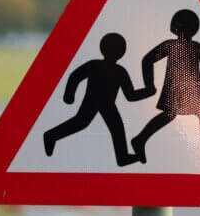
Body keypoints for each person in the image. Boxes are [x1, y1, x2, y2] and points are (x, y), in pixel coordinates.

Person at [131, 9, 200, 167]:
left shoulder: (184, 46)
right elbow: (147, 60)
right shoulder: (177, 46)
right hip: (182, 88)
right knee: (196, 114)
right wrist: (149, 86)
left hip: (186, 88)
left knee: (174, 114)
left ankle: (140, 139)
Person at [43, 33, 153, 166]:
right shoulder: (103, 67)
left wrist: (147, 92)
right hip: (94, 101)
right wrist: (69, 95)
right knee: (84, 123)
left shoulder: (117, 71)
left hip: (105, 103)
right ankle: (50, 136)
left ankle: (122, 157)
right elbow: (75, 77)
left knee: (110, 127)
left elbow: (130, 95)